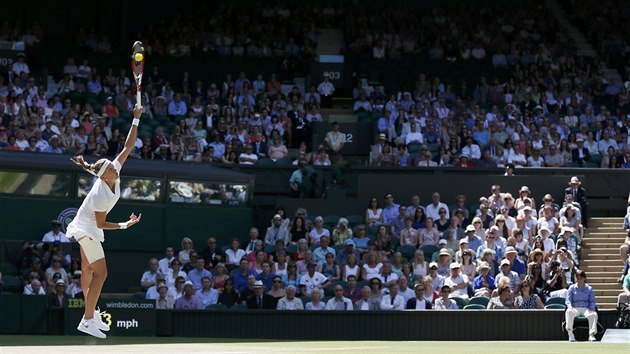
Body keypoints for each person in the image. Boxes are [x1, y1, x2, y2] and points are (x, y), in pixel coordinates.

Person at [66, 104, 143, 339]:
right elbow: (100, 224)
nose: (115, 168)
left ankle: (91, 312)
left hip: (85, 225)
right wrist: (123, 225)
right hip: (87, 229)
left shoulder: (114, 169)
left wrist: (136, 119)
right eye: (110, 169)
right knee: (102, 273)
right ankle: (87, 319)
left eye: (112, 165)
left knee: (89, 270)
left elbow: (128, 145)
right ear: (103, 176)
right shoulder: (100, 194)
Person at [565, 270, 598, 342]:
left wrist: (591, 308)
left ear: (584, 279)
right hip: (575, 308)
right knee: (569, 312)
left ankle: (591, 335)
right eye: (578, 278)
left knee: (594, 314)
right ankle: (570, 333)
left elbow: (592, 301)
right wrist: (570, 306)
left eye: (581, 278)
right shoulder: (571, 288)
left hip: (586, 308)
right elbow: (568, 300)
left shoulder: (589, 289)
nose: (579, 280)